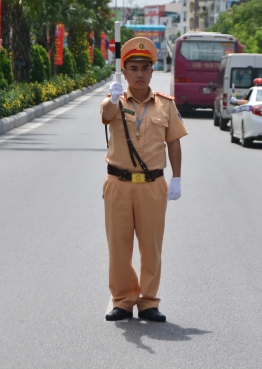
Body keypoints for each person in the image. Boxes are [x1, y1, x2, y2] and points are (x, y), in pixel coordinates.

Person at [100, 38, 186, 323]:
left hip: (152, 185)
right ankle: (123, 300)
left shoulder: (165, 105)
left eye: (144, 68)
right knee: (119, 246)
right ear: (124, 72)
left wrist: (177, 179)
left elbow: (173, 142)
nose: (139, 73)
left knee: (151, 247)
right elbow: (106, 116)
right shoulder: (114, 101)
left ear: (152, 71)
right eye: (133, 68)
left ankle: (149, 301)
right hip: (118, 184)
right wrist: (112, 99)